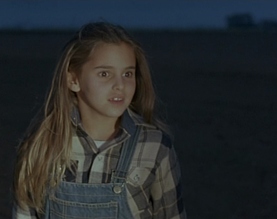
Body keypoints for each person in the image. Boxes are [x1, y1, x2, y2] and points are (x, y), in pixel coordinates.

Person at [13, 22, 186, 219]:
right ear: (73, 80)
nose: (120, 85)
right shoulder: (42, 144)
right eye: (105, 74)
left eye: (127, 74)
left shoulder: (154, 146)